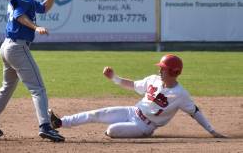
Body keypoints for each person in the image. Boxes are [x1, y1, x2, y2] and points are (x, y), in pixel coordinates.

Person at [48, 54, 226, 139]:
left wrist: (212, 131)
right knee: (97, 114)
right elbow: (133, 85)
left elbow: (195, 112)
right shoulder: (154, 79)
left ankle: (138, 133)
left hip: (143, 126)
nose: (159, 69)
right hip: (132, 111)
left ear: (173, 72)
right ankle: (60, 122)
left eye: (163, 68)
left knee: (111, 130)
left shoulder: (181, 94)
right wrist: (114, 78)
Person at [0, 0, 66, 142]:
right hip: (18, 47)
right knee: (38, 89)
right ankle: (45, 127)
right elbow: (19, 16)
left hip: (7, 46)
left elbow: (44, 8)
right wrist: (35, 27)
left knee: (7, 87)